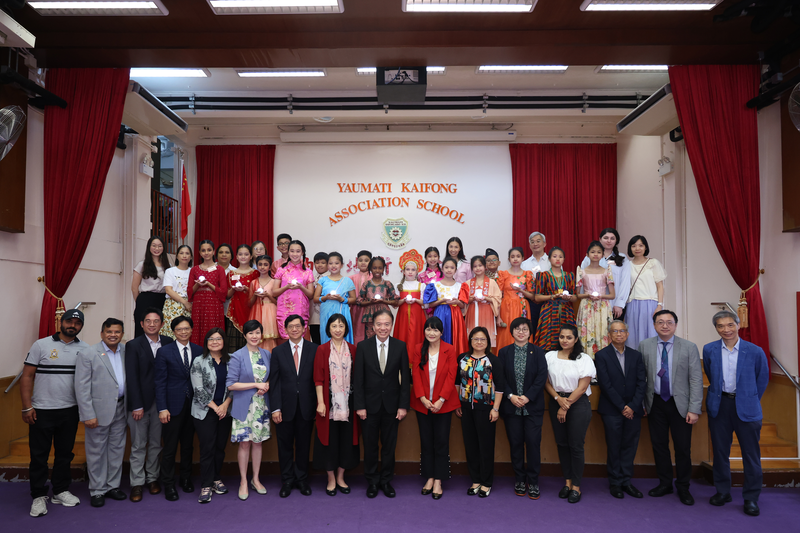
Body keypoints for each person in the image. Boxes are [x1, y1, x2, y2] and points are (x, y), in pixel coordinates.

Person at [21, 309, 88, 517]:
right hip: (42, 410)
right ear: (61, 321)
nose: (73, 325)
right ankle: (38, 496)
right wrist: (27, 406)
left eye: (77, 323)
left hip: (70, 410)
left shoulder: (85, 349)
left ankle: (60, 490)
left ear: (81, 326)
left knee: (64, 454)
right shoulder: (41, 345)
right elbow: (27, 377)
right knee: (39, 456)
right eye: (69, 321)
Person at [703, 310, 769, 517]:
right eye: (721, 326)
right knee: (720, 453)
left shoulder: (755, 351)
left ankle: (751, 498)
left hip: (747, 408)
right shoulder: (709, 349)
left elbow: (762, 380)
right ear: (716, 328)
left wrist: (748, 399)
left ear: (738, 325)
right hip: (719, 406)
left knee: (751, 456)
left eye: (730, 325)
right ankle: (723, 492)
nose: (726, 330)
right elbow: (710, 374)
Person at [639, 310, 702, 506]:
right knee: (659, 446)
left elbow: (696, 379)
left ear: (675, 325)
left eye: (669, 322)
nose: (664, 325)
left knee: (683, 447)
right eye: (660, 322)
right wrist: (642, 403)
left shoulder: (689, 347)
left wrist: (694, 408)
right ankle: (665, 483)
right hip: (655, 402)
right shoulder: (645, 345)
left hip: (680, 404)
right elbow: (641, 378)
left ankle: (683, 486)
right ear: (654, 325)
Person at [353, 309, 411, 498]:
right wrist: (359, 406)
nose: (383, 328)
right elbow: (358, 379)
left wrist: (403, 406)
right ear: (373, 326)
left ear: (391, 325)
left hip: (392, 407)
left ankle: (385, 481)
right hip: (368, 407)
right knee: (370, 446)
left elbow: (405, 380)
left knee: (388, 446)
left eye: (387, 324)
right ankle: (372, 481)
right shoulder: (363, 346)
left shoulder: (400, 346)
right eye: (379, 324)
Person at [75, 318, 128, 507]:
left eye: (117, 332)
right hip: (97, 411)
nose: (113, 335)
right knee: (96, 451)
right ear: (102, 333)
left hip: (121, 408)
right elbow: (81, 388)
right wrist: (87, 414)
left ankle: (112, 486)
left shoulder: (126, 352)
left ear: (122, 334)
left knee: (116, 449)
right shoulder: (88, 353)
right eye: (109, 332)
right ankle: (97, 490)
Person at [544, 324, 596, 504]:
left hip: (577, 403)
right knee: (562, 443)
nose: (564, 340)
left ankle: (576, 486)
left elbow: (582, 387)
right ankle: (567, 482)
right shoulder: (549, 356)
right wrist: (558, 400)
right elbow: (546, 382)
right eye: (561, 337)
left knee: (575, 445)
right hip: (556, 400)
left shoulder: (584, 358)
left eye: (568, 337)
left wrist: (565, 406)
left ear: (575, 340)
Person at [497, 317, 548, 500]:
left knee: (533, 445)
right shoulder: (504, 352)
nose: (521, 332)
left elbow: (542, 377)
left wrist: (527, 397)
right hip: (512, 408)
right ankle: (519, 479)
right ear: (511, 332)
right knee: (516, 444)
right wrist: (511, 396)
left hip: (532, 407)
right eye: (517, 329)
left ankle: (533, 481)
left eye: (524, 329)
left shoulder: (539, 352)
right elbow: (500, 377)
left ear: (530, 332)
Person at [594, 320, 646, 499]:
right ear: (609, 335)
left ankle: (626, 481)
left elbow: (642, 383)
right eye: (615, 331)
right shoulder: (601, 355)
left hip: (634, 409)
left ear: (627, 334)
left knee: (630, 446)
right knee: (614, 446)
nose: (619, 334)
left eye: (622, 331)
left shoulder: (636, 356)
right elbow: (605, 385)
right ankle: (615, 483)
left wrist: (632, 406)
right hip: (611, 409)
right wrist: (622, 407)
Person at [125, 308, 172, 502]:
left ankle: (152, 478)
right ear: (142, 324)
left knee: (155, 443)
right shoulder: (133, 345)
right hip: (140, 405)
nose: (152, 324)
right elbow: (132, 376)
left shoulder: (169, 342)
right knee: (138, 445)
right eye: (148, 321)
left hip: (161, 404)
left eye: (156, 321)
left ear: (162, 324)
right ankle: (137, 482)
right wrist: (136, 404)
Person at [269, 315, 319, 498]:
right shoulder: (278, 351)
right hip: (284, 408)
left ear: (304, 328)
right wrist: (275, 408)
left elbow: (318, 380)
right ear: (285, 329)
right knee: (285, 446)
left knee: (304, 446)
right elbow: (273, 383)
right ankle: (287, 480)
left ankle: (302, 480)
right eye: (291, 326)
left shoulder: (315, 349)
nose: (295, 329)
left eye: (298, 326)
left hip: (307, 407)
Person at [154, 315, 202, 501]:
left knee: (188, 446)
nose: (183, 332)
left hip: (193, 406)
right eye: (179, 329)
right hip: (171, 407)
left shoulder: (199, 350)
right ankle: (168, 483)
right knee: (170, 447)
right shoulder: (164, 352)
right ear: (173, 332)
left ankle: (186, 478)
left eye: (186, 328)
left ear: (191, 329)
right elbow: (159, 382)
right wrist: (162, 408)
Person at [410, 317, 458, 500]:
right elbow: (415, 373)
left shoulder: (449, 349)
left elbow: (451, 376)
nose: (431, 333)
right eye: (428, 329)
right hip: (423, 404)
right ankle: (429, 477)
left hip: (442, 405)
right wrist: (422, 397)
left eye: (435, 330)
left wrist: (441, 400)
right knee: (426, 441)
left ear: (441, 332)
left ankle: (439, 479)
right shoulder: (417, 349)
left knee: (441, 441)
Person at [313, 314, 360, 496]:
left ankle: (341, 477)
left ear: (346, 328)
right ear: (328, 329)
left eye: (341, 326)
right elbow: (318, 379)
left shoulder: (354, 350)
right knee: (330, 442)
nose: (338, 329)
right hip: (329, 403)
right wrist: (321, 402)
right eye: (334, 326)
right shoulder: (322, 350)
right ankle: (331, 478)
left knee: (346, 442)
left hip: (349, 404)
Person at [456, 327, 504, 498]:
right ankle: (475, 480)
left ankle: (486, 482)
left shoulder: (493, 361)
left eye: (482, 339)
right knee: (470, 445)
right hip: (466, 409)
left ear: (487, 342)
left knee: (485, 446)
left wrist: (496, 408)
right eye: (475, 339)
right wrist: (457, 403)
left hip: (486, 409)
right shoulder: (463, 358)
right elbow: (457, 383)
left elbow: (500, 387)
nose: (478, 342)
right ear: (470, 341)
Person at [227, 320, 272, 500]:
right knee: (244, 443)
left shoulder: (267, 354)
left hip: (261, 406)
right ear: (244, 335)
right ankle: (243, 481)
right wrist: (255, 384)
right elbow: (230, 384)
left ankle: (256, 479)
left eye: (258, 333)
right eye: (251, 333)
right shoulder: (237, 356)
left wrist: (265, 385)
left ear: (262, 334)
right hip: (244, 406)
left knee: (258, 442)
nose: (254, 336)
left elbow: (270, 378)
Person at [190, 328, 233, 504]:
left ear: (224, 341)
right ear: (206, 342)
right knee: (207, 448)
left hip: (225, 410)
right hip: (204, 411)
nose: (215, 342)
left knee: (220, 447)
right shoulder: (199, 361)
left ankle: (216, 478)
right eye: (211, 339)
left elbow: (234, 385)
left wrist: (225, 405)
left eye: (218, 338)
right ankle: (206, 485)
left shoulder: (231, 360)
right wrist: (216, 407)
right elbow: (198, 390)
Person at [625, 235, 667, 349]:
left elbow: (660, 286)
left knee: (651, 334)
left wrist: (660, 305)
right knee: (632, 335)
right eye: (634, 246)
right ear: (630, 248)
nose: (637, 248)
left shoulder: (653, 263)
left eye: (640, 245)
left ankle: (652, 364)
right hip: (632, 304)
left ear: (645, 247)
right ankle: (635, 364)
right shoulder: (627, 265)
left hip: (650, 303)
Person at [575, 241, 616, 356]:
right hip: (586, 305)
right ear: (587, 254)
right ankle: (587, 361)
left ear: (603, 255)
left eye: (599, 252)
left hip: (602, 306)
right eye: (593, 252)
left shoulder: (606, 271)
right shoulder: (581, 271)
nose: (595, 254)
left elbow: (612, 295)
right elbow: (577, 294)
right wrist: (587, 295)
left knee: (602, 332)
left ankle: (603, 360)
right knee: (587, 332)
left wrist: (600, 296)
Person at [580, 228, 631, 320]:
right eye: (606, 238)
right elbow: (582, 281)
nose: (609, 241)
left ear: (616, 241)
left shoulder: (623, 258)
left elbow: (625, 282)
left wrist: (619, 304)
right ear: (600, 239)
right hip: (592, 303)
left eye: (612, 238)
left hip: (614, 305)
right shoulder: (589, 258)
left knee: (614, 332)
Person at [534, 247, 577, 351]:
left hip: (566, 311)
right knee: (547, 343)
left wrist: (569, 298)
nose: (558, 259)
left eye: (560, 257)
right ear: (549, 259)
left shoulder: (569, 276)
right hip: (549, 311)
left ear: (564, 259)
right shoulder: (543, 275)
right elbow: (537, 297)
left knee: (567, 340)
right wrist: (552, 296)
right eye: (554, 256)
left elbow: (575, 298)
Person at [423, 257, 468, 355]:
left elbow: (462, 305)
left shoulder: (460, 286)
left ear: (455, 270)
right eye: (446, 267)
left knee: (455, 336)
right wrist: (441, 301)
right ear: (442, 269)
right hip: (440, 313)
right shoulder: (435, 285)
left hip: (455, 315)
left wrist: (456, 302)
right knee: (440, 334)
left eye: (452, 268)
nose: (449, 270)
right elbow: (430, 305)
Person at [187, 240, 228, 345]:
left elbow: (223, 292)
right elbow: (190, 291)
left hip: (214, 305)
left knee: (213, 330)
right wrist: (198, 284)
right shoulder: (194, 269)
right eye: (203, 250)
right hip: (198, 305)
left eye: (209, 250)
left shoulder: (220, 269)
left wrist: (208, 284)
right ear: (200, 253)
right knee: (198, 330)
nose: (206, 253)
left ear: (214, 251)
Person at [273, 240, 315, 341]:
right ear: (288, 252)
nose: (295, 254)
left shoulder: (308, 272)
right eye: (292, 251)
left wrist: (301, 287)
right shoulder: (281, 270)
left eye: (298, 251)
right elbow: (274, 292)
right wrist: (286, 287)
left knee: (299, 339)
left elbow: (310, 294)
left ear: (302, 253)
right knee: (285, 339)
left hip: (301, 309)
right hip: (284, 309)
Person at [132, 236, 171, 338]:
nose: (156, 249)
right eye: (154, 246)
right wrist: (140, 302)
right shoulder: (142, 265)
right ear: (149, 247)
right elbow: (134, 287)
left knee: (161, 330)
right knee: (142, 331)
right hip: (145, 299)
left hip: (162, 299)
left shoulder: (168, 266)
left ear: (163, 248)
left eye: (159, 246)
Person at [496, 247, 535, 349]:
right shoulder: (503, 274)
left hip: (522, 307)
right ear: (509, 259)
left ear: (523, 258)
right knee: (506, 332)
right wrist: (498, 316)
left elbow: (532, 296)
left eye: (518, 256)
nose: (515, 259)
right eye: (512, 257)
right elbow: (498, 296)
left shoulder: (527, 274)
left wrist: (521, 290)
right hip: (506, 307)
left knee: (522, 331)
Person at [314, 252, 356, 344]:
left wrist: (342, 300)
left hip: (342, 311)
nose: (333, 266)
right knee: (327, 336)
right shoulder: (323, 280)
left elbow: (354, 299)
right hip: (326, 313)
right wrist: (325, 297)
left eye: (336, 263)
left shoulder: (347, 281)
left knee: (342, 336)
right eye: (330, 263)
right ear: (327, 265)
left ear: (342, 265)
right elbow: (315, 298)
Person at [462, 256, 502, 347]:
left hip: (487, 311)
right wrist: (471, 299)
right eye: (475, 266)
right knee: (472, 335)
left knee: (486, 334)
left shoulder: (492, 282)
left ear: (485, 267)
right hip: (472, 311)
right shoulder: (467, 283)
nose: (478, 268)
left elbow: (498, 299)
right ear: (472, 269)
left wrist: (487, 298)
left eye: (480, 265)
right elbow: (463, 300)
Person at [357, 256, 398, 339]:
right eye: (374, 268)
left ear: (383, 269)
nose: (377, 270)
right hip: (369, 316)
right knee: (370, 339)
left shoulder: (387, 284)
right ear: (370, 269)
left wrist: (384, 301)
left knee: (384, 337)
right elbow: (359, 301)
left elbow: (395, 301)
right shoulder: (366, 284)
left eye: (380, 268)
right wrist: (370, 302)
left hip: (384, 314)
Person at [226, 244, 258, 352]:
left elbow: (258, 292)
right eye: (240, 254)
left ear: (251, 256)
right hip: (235, 309)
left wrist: (247, 289)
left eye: (246, 254)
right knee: (233, 344)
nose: (243, 257)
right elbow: (228, 294)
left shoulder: (255, 273)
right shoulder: (231, 273)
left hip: (250, 309)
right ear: (236, 256)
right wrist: (234, 289)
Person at [394, 249, 427, 349]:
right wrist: (403, 300)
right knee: (402, 337)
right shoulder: (399, 285)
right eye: (408, 269)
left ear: (417, 272)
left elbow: (424, 303)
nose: (410, 272)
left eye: (413, 270)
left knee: (416, 338)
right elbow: (395, 305)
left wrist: (416, 300)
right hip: (402, 316)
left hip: (417, 317)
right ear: (403, 271)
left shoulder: (421, 285)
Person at [520, 232, 550, 337]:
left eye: (538, 241)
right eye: (532, 242)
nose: (535, 244)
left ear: (544, 244)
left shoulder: (551, 261)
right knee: (531, 329)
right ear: (529, 245)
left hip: (548, 301)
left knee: (547, 331)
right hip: (531, 302)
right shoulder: (524, 264)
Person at [160, 244, 193, 340]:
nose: (184, 256)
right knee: (171, 333)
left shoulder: (193, 271)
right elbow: (168, 290)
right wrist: (184, 302)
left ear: (191, 257)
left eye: (187, 253)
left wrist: (188, 303)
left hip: (189, 306)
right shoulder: (170, 271)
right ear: (177, 256)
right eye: (181, 253)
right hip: (173, 304)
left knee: (187, 332)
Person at [248, 254, 279, 350]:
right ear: (256, 266)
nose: (262, 267)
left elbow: (277, 302)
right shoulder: (253, 282)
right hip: (257, 311)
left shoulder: (274, 282)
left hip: (270, 312)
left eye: (266, 264)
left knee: (269, 339)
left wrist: (268, 295)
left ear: (270, 267)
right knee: (257, 337)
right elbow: (249, 303)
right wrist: (255, 295)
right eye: (260, 264)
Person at [349, 250, 373, 342]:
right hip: (356, 310)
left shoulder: (375, 278)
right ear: (357, 262)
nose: (363, 263)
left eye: (366, 260)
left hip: (371, 309)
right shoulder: (351, 278)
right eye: (360, 260)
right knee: (356, 333)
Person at [309, 252, 330, 344]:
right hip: (313, 316)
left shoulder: (331, 278)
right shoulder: (311, 278)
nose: (319, 265)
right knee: (316, 342)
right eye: (317, 263)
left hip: (326, 314)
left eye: (323, 262)